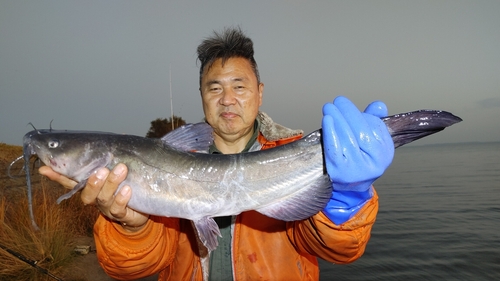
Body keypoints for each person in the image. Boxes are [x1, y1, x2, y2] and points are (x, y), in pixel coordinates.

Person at [40, 27, 394, 280]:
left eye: (239, 86)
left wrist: (347, 202)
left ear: (259, 92)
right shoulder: (160, 155)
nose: (227, 99)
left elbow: (340, 251)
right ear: (201, 95)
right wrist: (130, 225)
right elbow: (128, 268)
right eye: (215, 88)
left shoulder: (292, 153)